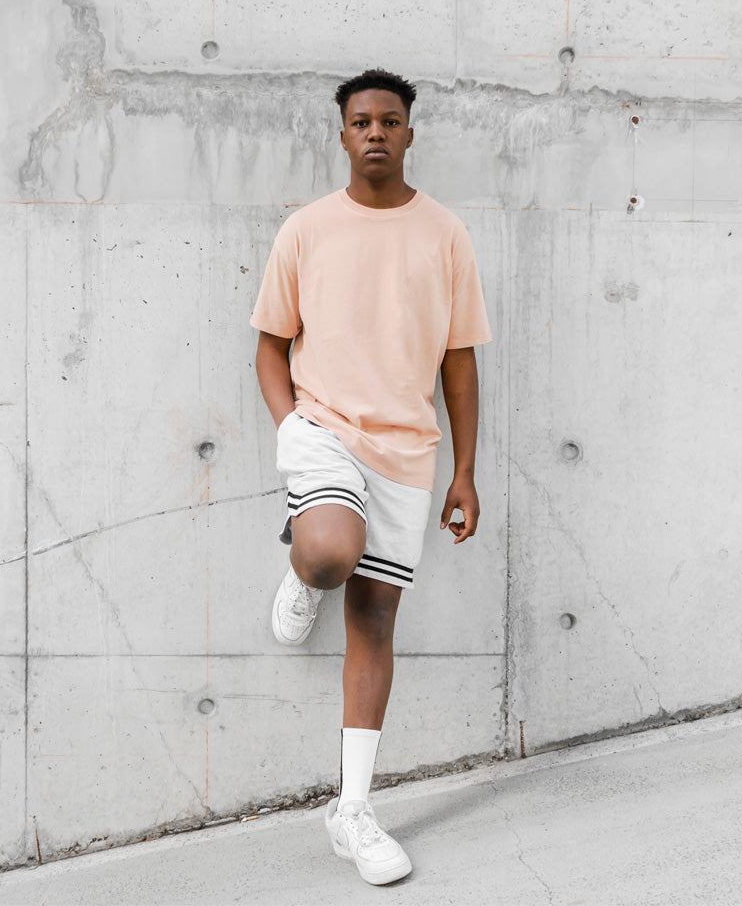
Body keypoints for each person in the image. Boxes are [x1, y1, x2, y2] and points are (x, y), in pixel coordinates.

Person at [249, 68, 491, 886]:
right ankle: (305, 567)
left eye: (390, 120)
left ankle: (351, 811)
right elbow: (270, 345)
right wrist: (290, 426)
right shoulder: (307, 230)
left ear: (409, 133)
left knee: (376, 620)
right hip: (322, 430)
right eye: (362, 121)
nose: (376, 132)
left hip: (407, 454)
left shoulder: (445, 234)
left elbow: (459, 363)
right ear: (344, 134)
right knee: (327, 556)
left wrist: (465, 471)